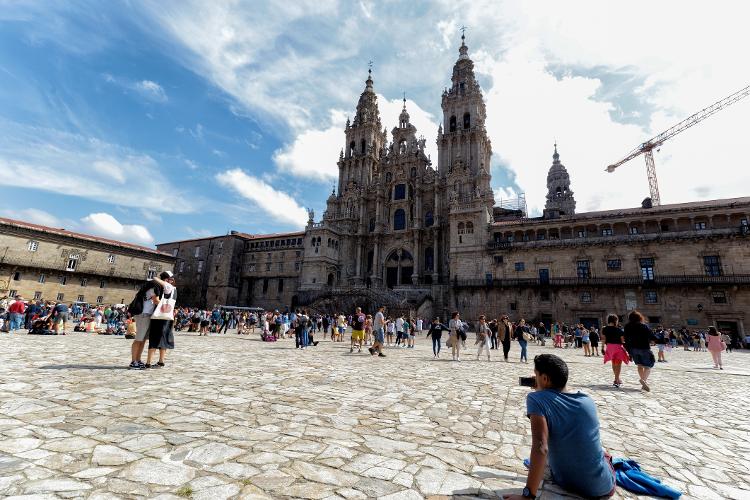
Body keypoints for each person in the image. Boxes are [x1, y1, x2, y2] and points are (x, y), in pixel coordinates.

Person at [504, 354, 616, 500]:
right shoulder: (586, 400)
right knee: (602, 453)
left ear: (544, 379)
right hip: (601, 488)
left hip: (564, 480)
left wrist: (528, 496)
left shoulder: (536, 399)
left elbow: (541, 447)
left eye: (536, 375)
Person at [145, 272, 177, 368]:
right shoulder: (174, 289)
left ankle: (148, 362)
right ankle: (161, 361)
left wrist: (157, 278)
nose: (171, 281)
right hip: (168, 316)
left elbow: (155, 279)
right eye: (170, 279)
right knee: (164, 337)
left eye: (171, 279)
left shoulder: (167, 287)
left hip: (159, 316)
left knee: (154, 337)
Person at [624, 310, 656, 392]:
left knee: (639, 365)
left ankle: (643, 382)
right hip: (644, 348)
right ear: (639, 317)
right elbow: (652, 336)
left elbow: (626, 339)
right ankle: (643, 380)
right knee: (648, 366)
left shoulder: (627, 326)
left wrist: (629, 351)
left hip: (633, 349)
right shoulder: (643, 326)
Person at [602, 314, 629, 388]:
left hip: (609, 347)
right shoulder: (619, 330)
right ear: (615, 320)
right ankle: (616, 380)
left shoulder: (605, 329)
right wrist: (627, 350)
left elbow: (603, 339)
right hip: (617, 347)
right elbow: (623, 341)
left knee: (613, 363)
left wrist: (602, 348)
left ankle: (617, 378)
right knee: (618, 364)